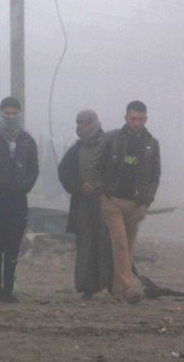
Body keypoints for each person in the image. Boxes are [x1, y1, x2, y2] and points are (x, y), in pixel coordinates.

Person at [92, 100, 161, 303]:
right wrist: (102, 195)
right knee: (121, 244)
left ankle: (118, 289)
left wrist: (146, 204)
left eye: (140, 119)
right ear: (126, 118)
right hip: (112, 201)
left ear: (145, 119)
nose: (136, 123)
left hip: (137, 205)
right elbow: (95, 165)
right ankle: (126, 288)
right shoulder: (112, 138)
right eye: (133, 118)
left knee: (127, 247)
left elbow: (155, 176)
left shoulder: (151, 144)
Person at [0, 96, 38, 303]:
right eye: (7, 113)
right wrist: (4, 183)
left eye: (14, 113)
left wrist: (23, 186)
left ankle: (9, 291)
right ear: (1, 113)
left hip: (19, 200)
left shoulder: (27, 141)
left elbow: (33, 169)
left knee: (13, 246)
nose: (11, 117)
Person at [58, 109, 112, 300]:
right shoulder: (75, 151)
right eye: (78, 122)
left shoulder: (109, 146)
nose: (79, 126)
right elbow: (64, 173)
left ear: (93, 123)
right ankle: (86, 288)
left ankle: (114, 285)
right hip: (83, 207)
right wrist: (80, 187)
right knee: (86, 246)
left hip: (107, 205)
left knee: (108, 244)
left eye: (83, 122)